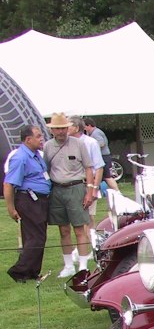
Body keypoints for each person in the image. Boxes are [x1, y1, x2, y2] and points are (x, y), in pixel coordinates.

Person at [43, 112, 98, 277]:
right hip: (57, 189)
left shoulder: (79, 144)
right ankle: (68, 265)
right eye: (57, 129)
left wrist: (90, 191)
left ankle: (82, 266)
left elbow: (89, 168)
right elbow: (45, 168)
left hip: (76, 188)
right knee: (63, 230)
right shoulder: (47, 146)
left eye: (63, 128)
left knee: (80, 229)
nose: (60, 132)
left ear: (68, 128)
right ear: (52, 130)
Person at [3, 124, 51, 283]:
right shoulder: (20, 157)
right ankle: (18, 270)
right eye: (38, 136)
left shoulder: (36, 154)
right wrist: (11, 208)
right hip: (29, 200)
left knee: (38, 237)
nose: (41, 139)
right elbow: (8, 184)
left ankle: (31, 272)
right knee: (36, 237)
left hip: (40, 200)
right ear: (28, 139)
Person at [69, 115, 105, 242]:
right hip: (73, 185)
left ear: (76, 127)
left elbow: (99, 167)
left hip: (88, 183)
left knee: (88, 216)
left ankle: (92, 243)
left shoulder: (91, 143)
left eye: (68, 125)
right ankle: (84, 245)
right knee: (77, 217)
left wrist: (95, 189)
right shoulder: (67, 143)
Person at [83, 117, 120, 192]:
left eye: (85, 126)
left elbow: (101, 143)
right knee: (101, 177)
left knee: (107, 177)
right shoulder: (93, 133)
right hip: (103, 157)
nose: (84, 128)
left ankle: (117, 192)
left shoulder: (96, 133)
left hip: (104, 157)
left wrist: (92, 148)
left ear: (89, 125)